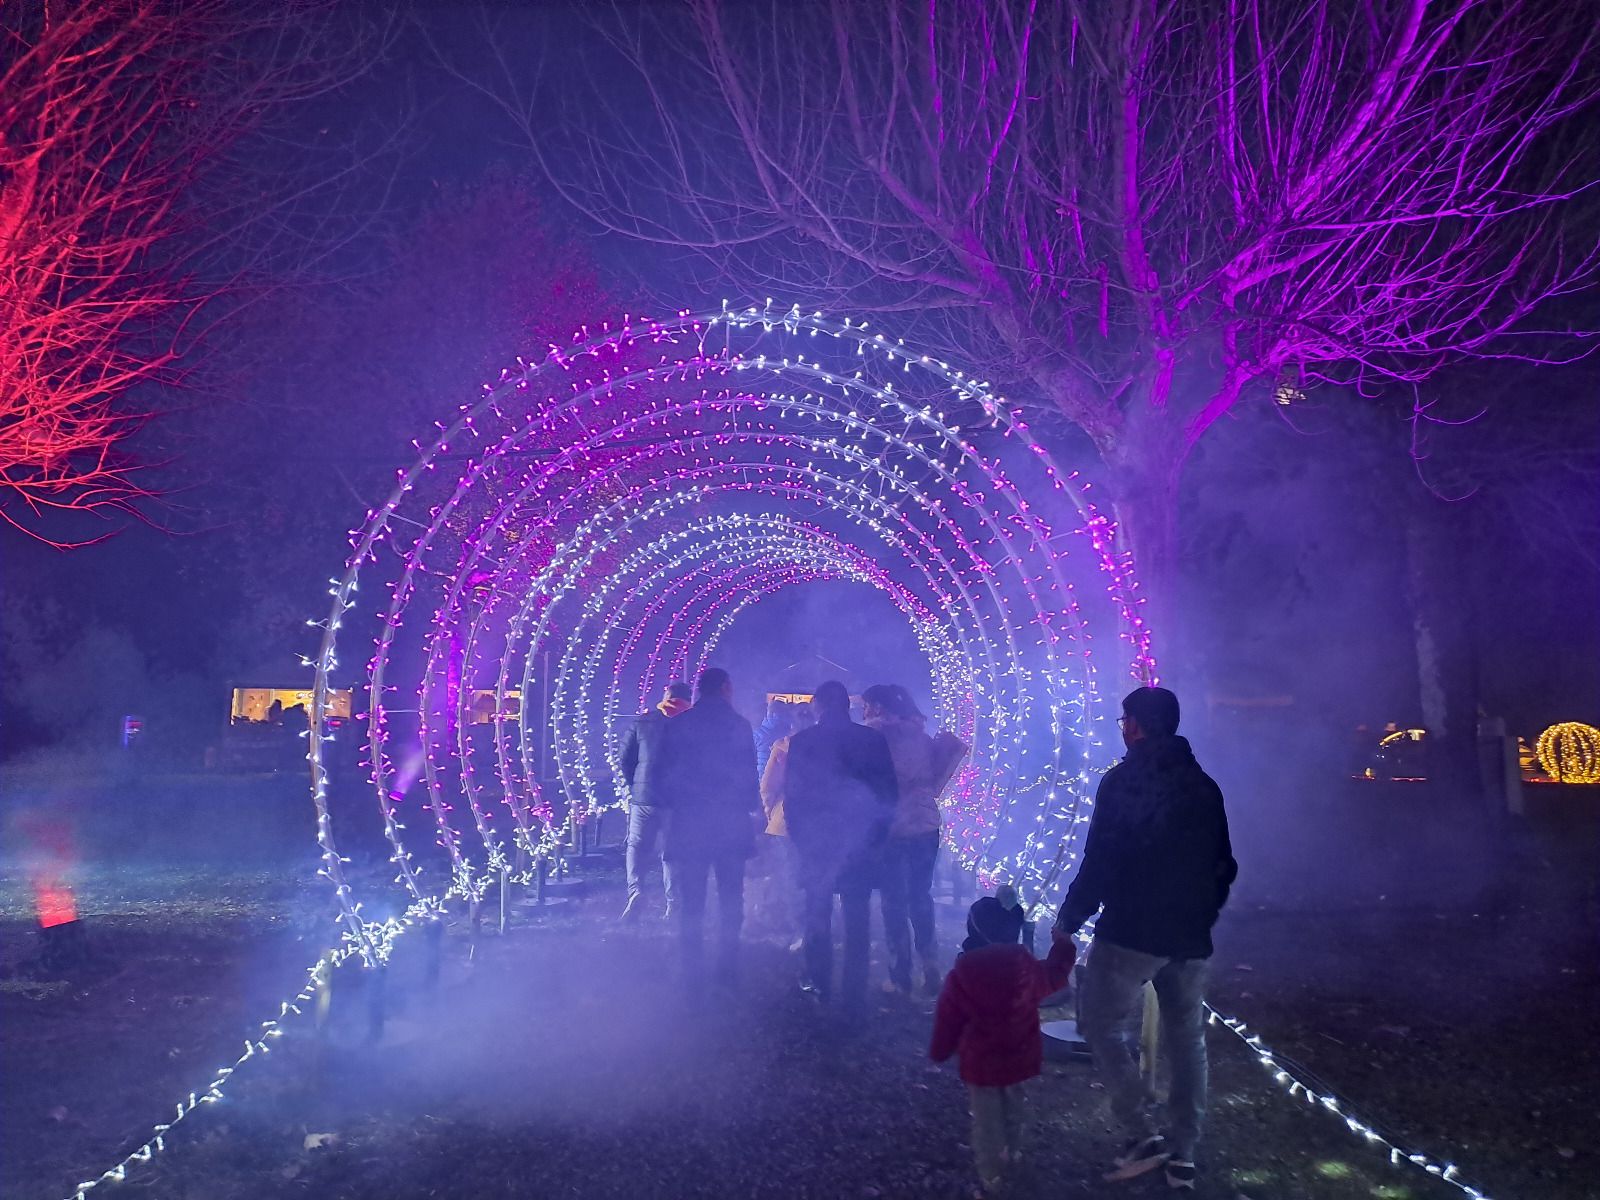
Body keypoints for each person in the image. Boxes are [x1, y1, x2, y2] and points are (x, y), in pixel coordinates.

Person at [1051, 686, 1237, 1192]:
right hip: (1190, 934)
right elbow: (1224, 864)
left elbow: (1101, 859)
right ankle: (1184, 1153)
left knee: (1099, 1022)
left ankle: (1140, 1134)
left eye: (1123, 720)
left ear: (1134, 725)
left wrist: (1070, 916)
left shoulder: (1123, 782)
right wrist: (1204, 912)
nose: (1122, 728)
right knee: (1187, 1039)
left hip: (1132, 930)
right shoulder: (1205, 786)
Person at [931, 887, 1076, 1199]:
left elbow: (949, 1013)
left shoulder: (965, 970)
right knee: (1014, 1105)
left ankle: (991, 1178)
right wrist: (1063, 947)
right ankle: (1014, 1151)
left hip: (980, 1060)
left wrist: (942, 1048)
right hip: (1019, 1055)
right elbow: (1055, 975)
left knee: (985, 1119)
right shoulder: (1024, 966)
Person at [782, 680, 898, 1016]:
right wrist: (877, 837)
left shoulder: (803, 741)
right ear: (846, 706)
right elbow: (888, 794)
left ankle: (819, 982)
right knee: (857, 915)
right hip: (859, 840)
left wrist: (800, 839)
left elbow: (794, 797)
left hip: (818, 842)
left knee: (818, 911)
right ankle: (854, 992)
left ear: (818, 706)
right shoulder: (872, 740)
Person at [656, 667, 761, 989]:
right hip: (729, 823)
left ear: (700, 690)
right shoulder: (739, 726)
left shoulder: (679, 725)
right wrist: (750, 807)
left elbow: (663, 774)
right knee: (731, 897)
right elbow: (747, 774)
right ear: (727, 688)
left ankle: (691, 969)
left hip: (691, 823)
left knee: (692, 899)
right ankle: (728, 967)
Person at [863, 683, 967, 996]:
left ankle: (900, 975)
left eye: (867, 706)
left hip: (893, 828)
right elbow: (936, 778)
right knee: (920, 897)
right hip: (925, 826)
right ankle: (931, 964)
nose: (864, 712)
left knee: (894, 901)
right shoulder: (921, 738)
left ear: (879, 708)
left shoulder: (876, 739)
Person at [617, 681, 693, 921]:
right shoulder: (691, 724)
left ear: (666, 695)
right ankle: (673, 904)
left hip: (643, 798)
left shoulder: (643, 721)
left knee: (637, 847)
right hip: (676, 800)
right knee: (671, 852)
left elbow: (625, 759)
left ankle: (636, 891)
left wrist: (635, 785)